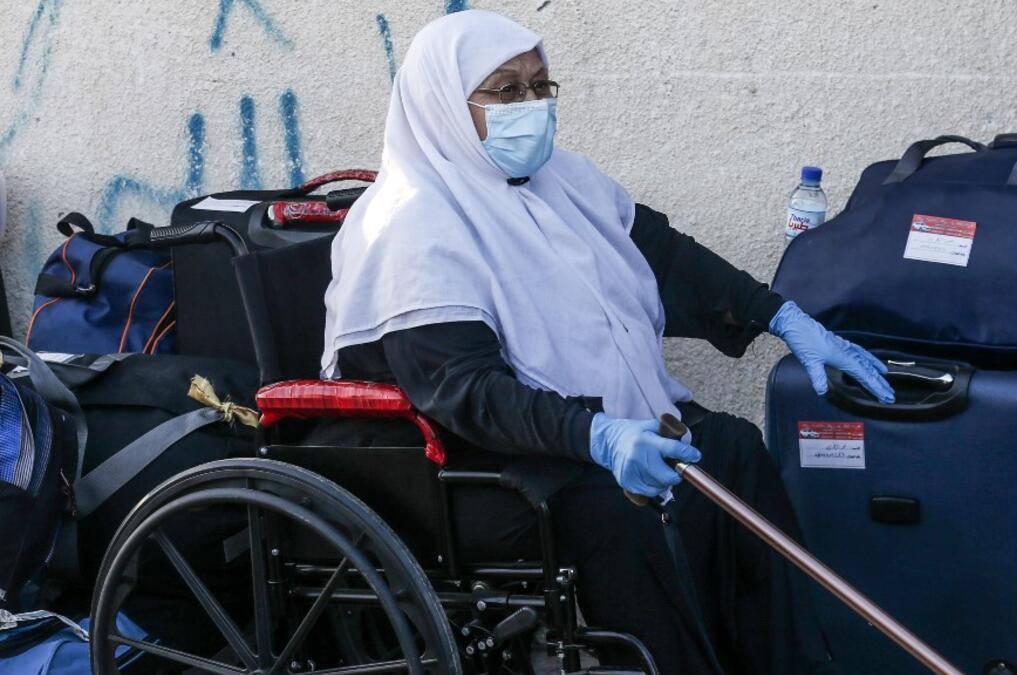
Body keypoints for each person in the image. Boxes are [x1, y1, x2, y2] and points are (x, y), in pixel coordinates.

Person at [322, 10, 894, 674]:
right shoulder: (411, 222)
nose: (531, 107)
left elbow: (666, 259)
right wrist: (598, 435)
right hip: (468, 461)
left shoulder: (564, 181)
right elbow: (466, 390)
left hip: (567, 433)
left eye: (541, 87)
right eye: (506, 91)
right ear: (444, 106)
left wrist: (780, 316)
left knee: (729, 450)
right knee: (630, 515)